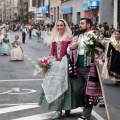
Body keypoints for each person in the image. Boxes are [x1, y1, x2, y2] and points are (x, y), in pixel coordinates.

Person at [38, 19, 83, 120]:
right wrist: (47, 60)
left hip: (66, 63)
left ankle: (67, 107)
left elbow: (71, 52)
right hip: (55, 63)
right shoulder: (54, 38)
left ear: (65, 26)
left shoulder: (69, 37)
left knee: (67, 85)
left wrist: (70, 48)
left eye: (61, 25)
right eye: (58, 25)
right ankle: (58, 109)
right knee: (55, 85)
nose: (59, 27)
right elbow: (52, 52)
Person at [67, 18, 104, 120]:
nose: (80, 25)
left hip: (89, 68)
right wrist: (70, 48)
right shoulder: (76, 36)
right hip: (76, 67)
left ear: (88, 25)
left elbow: (101, 50)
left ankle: (85, 115)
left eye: (82, 23)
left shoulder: (94, 36)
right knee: (77, 89)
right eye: (79, 23)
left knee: (89, 92)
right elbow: (69, 52)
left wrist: (98, 60)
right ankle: (88, 100)